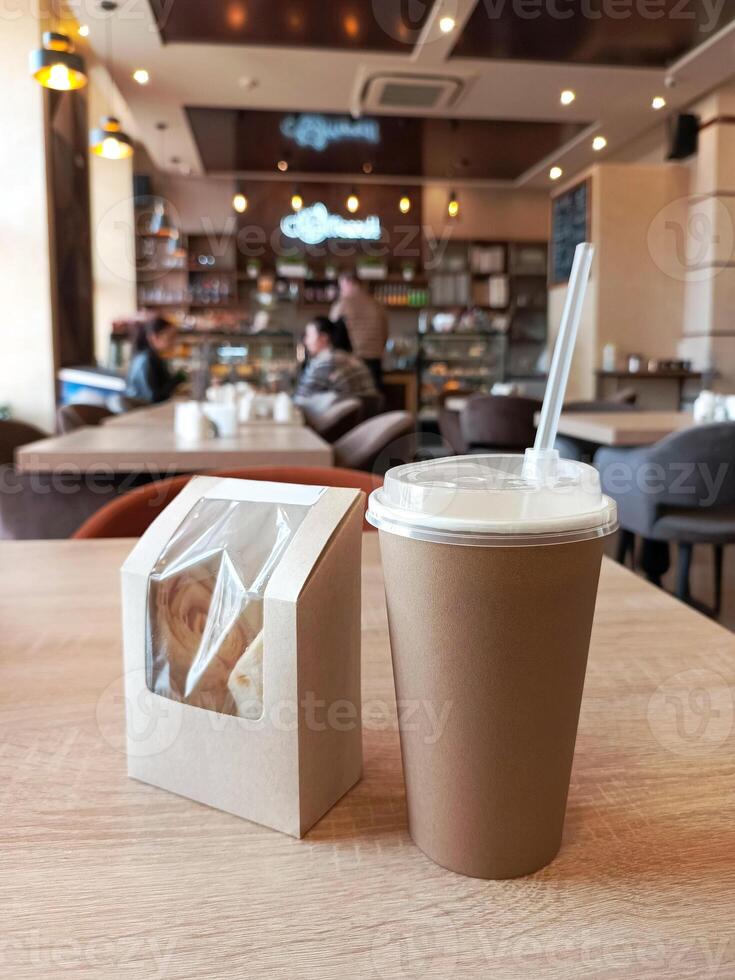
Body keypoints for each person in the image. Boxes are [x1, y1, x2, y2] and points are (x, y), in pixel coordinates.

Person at [294, 316, 378, 406]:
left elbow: (300, 400)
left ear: (323, 337)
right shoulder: (352, 358)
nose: (305, 341)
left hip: (345, 417)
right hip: (367, 417)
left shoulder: (325, 362)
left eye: (308, 335)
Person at [330, 270, 388, 388]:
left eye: (341, 286)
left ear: (349, 283)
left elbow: (332, 332)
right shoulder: (377, 304)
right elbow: (385, 333)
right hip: (375, 359)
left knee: (354, 400)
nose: (341, 291)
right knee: (373, 398)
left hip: (352, 361)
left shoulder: (342, 304)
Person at [125, 317, 185, 404]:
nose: (174, 342)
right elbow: (155, 397)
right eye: (170, 337)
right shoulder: (148, 359)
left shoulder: (150, 356)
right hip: (144, 411)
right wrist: (178, 378)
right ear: (154, 337)